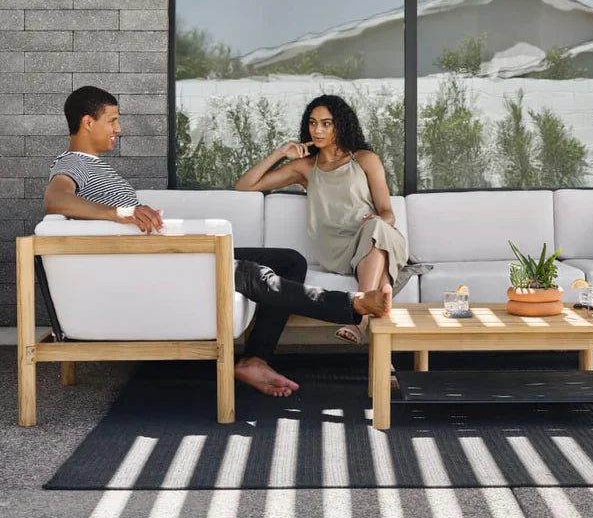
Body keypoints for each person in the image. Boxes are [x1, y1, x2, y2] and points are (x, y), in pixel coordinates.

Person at [42, 86, 391, 398]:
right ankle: (353, 304)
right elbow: (56, 201)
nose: (118, 129)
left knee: (290, 261)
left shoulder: (96, 167)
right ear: (88, 122)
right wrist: (121, 213)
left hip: (165, 255)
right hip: (159, 262)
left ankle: (255, 360)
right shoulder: (73, 164)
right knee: (250, 273)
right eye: (112, 120)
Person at [235, 94, 408, 345]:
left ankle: (357, 318)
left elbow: (388, 213)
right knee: (382, 286)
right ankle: (383, 353)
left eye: (326, 123)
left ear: (341, 125)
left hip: (372, 236)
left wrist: (377, 221)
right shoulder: (305, 168)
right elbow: (243, 187)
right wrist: (281, 152)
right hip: (336, 249)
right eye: (313, 123)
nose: (317, 129)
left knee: (376, 229)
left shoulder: (365, 159)